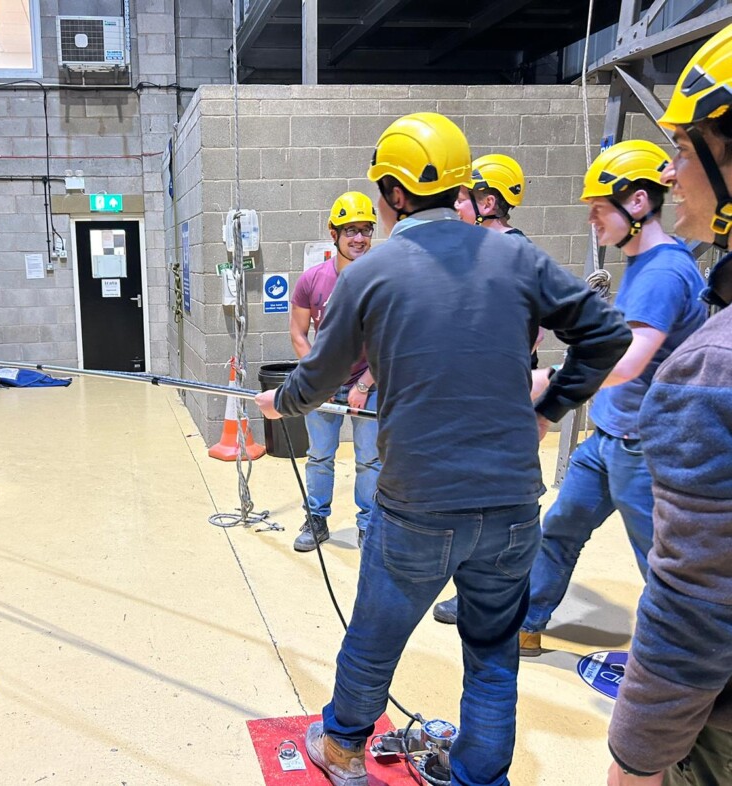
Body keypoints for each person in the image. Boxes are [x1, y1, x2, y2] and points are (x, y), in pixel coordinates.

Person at [254, 111, 632, 786]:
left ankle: (341, 750)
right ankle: (481, 777)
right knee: (492, 651)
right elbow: (604, 334)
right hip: (514, 504)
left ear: (396, 194)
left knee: (375, 635)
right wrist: (548, 408)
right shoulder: (516, 255)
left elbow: (316, 380)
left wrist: (276, 403)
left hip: (418, 505)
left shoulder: (371, 273)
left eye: (380, 192)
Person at [515, 140, 707, 657]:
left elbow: (623, 364)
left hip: (644, 447)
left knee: (659, 561)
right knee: (559, 529)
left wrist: (549, 380)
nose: (593, 220)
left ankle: (677, 664)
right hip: (607, 440)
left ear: (638, 203)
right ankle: (527, 624)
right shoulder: (645, 266)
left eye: (600, 209)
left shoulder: (664, 272)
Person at [607, 23, 732, 786]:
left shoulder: (712, 365)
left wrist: (636, 759)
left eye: (683, 149)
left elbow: (694, 603)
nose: (670, 168)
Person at [435, 153, 537, 623]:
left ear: (487, 201)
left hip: (498, 397)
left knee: (495, 496)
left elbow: (532, 330)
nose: (457, 204)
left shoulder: (513, 252)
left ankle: (489, 598)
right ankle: (480, 592)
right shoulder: (481, 249)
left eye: (464, 196)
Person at [289, 191, 381, 552]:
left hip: (369, 384)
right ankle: (316, 519)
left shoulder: (381, 280)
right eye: (351, 230)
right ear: (333, 233)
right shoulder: (312, 280)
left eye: (366, 230)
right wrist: (319, 379)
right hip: (322, 385)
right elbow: (298, 334)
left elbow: (387, 340)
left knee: (369, 459)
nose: (359, 238)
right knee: (319, 456)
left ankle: (368, 524)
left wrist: (364, 382)